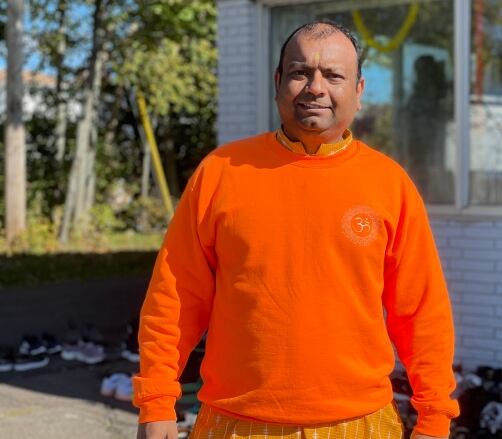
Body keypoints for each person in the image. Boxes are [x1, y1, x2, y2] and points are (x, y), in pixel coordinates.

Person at [132, 21, 459, 439]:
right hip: (235, 422)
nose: (315, 88)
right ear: (278, 82)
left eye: (334, 75)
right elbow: (175, 296)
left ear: (359, 91)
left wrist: (434, 417)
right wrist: (156, 403)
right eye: (300, 72)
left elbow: (422, 312)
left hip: (361, 424)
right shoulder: (222, 173)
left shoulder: (388, 184)